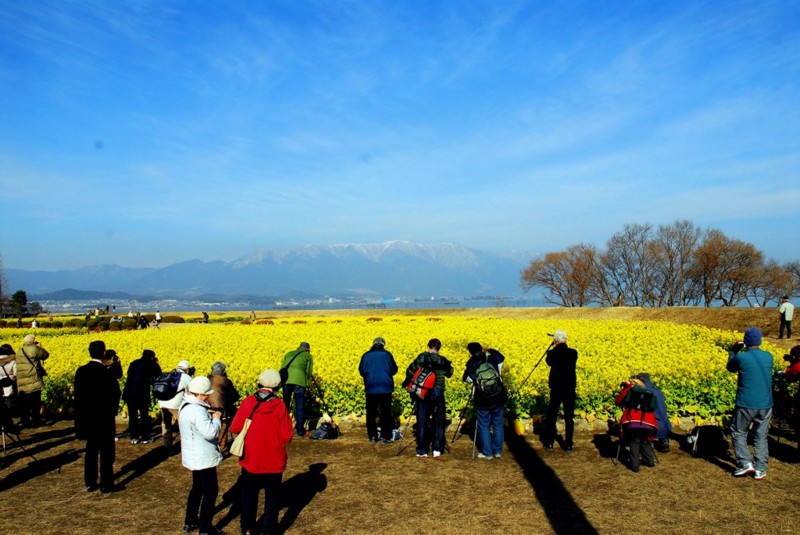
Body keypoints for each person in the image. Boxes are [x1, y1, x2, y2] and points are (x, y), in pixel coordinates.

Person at [230, 369, 294, 535]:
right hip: (274, 458)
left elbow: (235, 427)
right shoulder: (279, 405)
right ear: (278, 386)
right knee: (273, 498)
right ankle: (268, 530)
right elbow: (287, 435)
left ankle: (248, 529)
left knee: (248, 495)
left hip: (251, 458)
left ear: (259, 383)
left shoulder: (248, 402)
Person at [74, 340, 122, 493]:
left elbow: (78, 396)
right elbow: (116, 393)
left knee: (91, 451)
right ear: (103, 353)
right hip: (104, 418)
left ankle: (90, 482)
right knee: (107, 453)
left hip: (87, 418)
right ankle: (107, 484)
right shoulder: (106, 373)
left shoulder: (81, 371)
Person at [727, 327, 773, 480]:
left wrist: (733, 351)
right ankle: (760, 468)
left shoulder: (742, 357)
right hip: (766, 404)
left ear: (746, 341)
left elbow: (730, 368)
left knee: (739, 432)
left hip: (746, 402)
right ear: (759, 341)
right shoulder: (769, 356)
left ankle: (745, 463)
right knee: (761, 436)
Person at [179, 376, 223, 535]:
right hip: (203, 457)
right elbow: (210, 432)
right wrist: (216, 419)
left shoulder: (185, 405)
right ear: (199, 394)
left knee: (197, 488)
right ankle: (205, 527)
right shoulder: (197, 410)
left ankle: (190, 521)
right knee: (211, 491)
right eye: (205, 394)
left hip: (192, 455)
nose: (207, 397)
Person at [403, 338, 453, 458]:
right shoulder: (442, 360)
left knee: (422, 421)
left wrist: (407, 383)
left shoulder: (422, 357)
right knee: (439, 421)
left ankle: (422, 450)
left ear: (428, 347)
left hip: (423, 393)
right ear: (439, 348)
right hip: (438, 393)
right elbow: (450, 373)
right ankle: (437, 449)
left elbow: (410, 371)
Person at [462, 342, 507, 459]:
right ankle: (497, 451)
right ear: (482, 348)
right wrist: (489, 349)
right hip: (497, 396)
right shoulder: (492, 357)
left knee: (484, 425)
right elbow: (501, 358)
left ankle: (487, 453)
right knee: (498, 423)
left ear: (470, 352)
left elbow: (466, 379)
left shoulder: (471, 363)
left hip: (482, 399)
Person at [542, 330, 578, 452]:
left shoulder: (552, 353)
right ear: (565, 340)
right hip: (569, 389)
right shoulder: (573, 353)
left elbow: (549, 362)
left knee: (552, 416)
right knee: (569, 417)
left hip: (556, 389)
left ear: (555, 341)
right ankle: (568, 444)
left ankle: (549, 443)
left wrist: (552, 347)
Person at [358, 337, 399, 444]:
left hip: (371, 388)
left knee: (371, 413)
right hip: (386, 388)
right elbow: (394, 370)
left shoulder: (366, 355)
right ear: (383, 345)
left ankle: (372, 436)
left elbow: (362, 371)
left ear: (373, 344)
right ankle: (385, 437)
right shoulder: (387, 355)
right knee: (385, 413)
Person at [614, 375, 659, 472]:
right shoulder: (648, 392)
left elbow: (617, 402)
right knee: (645, 440)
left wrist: (625, 388)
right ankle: (649, 462)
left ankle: (635, 466)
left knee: (634, 441)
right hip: (649, 422)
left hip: (632, 421)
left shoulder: (630, 389)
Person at [122, 349, 162, 444]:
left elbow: (129, 375)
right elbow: (158, 375)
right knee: (144, 416)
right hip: (141, 393)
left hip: (129, 392)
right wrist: (157, 363)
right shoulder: (151, 364)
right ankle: (145, 437)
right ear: (152, 357)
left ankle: (134, 438)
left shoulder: (134, 363)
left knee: (133, 416)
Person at [15, 334, 50, 427]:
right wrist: (38, 347)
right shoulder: (34, 349)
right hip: (33, 378)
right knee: (35, 401)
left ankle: (25, 420)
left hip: (21, 379)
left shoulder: (19, 350)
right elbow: (46, 355)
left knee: (24, 402)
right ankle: (36, 419)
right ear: (33, 341)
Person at [280, 342, 313, 437]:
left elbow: (282, 368)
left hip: (286, 381)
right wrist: (307, 383)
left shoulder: (288, 353)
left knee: (285, 404)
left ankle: (283, 428)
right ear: (307, 350)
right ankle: (300, 431)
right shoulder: (308, 356)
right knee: (300, 406)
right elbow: (308, 372)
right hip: (299, 382)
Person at [207, 361, 240, 454]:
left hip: (206, 407)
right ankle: (222, 447)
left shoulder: (207, 379)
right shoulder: (226, 381)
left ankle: (211, 447)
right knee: (224, 426)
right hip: (220, 409)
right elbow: (234, 396)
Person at [158, 360, 193, 448]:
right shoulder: (187, 377)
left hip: (162, 403)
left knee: (166, 423)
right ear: (187, 370)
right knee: (184, 424)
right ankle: (185, 445)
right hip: (175, 405)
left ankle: (167, 444)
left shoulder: (168, 375)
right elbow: (190, 393)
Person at [634, 373, 672, 453]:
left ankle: (649, 442)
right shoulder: (657, 391)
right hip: (664, 426)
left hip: (650, 425)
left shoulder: (643, 391)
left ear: (641, 380)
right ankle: (664, 440)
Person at [0, 344, 20, 434]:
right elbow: (16, 373)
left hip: (0, 384)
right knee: (9, 401)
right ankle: (8, 424)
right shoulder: (12, 361)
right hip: (8, 383)